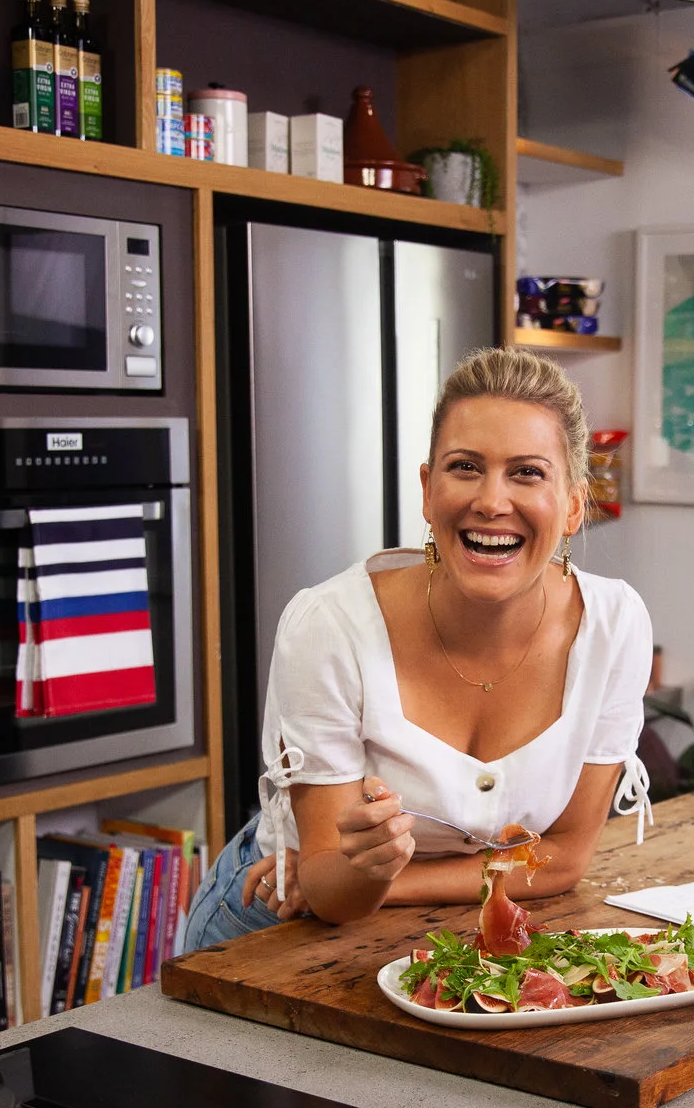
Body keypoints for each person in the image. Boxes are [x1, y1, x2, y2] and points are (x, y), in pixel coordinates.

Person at [179, 347, 653, 951]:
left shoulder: (614, 625)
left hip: (444, 931)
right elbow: (328, 890)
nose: (491, 501)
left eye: (527, 473)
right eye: (465, 467)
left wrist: (391, 878)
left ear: (573, 505)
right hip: (277, 925)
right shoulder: (328, 627)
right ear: (428, 491)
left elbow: (562, 858)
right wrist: (348, 872)